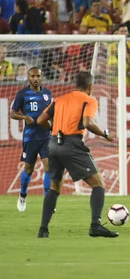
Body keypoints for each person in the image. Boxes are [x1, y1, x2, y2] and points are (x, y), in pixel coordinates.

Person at [35, 72, 119, 238]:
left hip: (53, 144)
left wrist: (53, 129)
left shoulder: (60, 99)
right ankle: (95, 225)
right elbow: (87, 123)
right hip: (72, 144)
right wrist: (105, 134)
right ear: (90, 87)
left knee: (54, 188)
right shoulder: (89, 99)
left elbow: (40, 120)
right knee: (98, 183)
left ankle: (43, 229)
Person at [9, 67, 52, 212]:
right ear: (28, 78)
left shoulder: (47, 94)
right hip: (30, 138)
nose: (36, 78)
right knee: (28, 168)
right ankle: (22, 194)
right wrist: (24, 117)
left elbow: (49, 114)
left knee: (49, 167)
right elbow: (13, 113)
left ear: (41, 77)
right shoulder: (22, 94)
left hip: (46, 136)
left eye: (38, 76)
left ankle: (48, 201)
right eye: (33, 76)